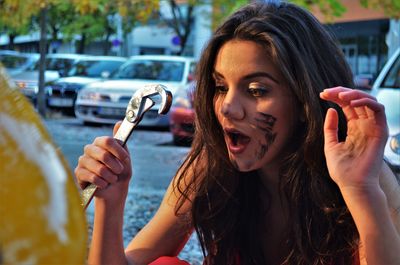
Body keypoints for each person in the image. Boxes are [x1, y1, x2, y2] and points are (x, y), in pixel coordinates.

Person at [74, 1, 400, 264]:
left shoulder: (364, 176)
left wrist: (360, 189)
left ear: (304, 101)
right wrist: (110, 202)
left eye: (256, 90)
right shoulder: (209, 171)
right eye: (219, 86)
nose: (227, 107)